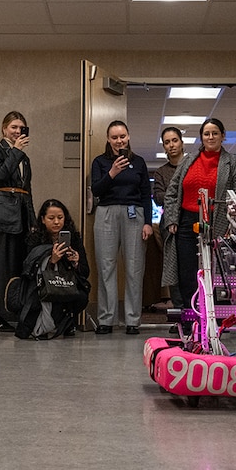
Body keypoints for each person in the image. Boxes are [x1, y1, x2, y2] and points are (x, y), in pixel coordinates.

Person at [162, 118, 236, 309]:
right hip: (186, 223)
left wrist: (232, 227)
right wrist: (171, 219)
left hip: (218, 223)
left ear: (223, 136)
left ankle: (215, 318)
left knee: (217, 272)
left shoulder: (234, 163)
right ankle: (190, 316)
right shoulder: (188, 161)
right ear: (201, 137)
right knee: (187, 272)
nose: (210, 137)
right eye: (206, 134)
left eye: (215, 133)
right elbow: (172, 192)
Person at [90, 120, 153, 335]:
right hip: (106, 213)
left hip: (134, 214)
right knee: (106, 267)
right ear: (108, 139)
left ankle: (132, 320)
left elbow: (146, 193)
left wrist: (147, 222)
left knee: (134, 268)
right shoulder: (100, 162)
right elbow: (97, 190)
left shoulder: (140, 162)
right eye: (115, 137)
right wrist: (113, 172)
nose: (119, 141)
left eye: (122, 136)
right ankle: (106, 319)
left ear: (128, 137)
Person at [0, 110, 33, 331]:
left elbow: (27, 189)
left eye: (21, 128)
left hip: (22, 212)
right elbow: (1, 175)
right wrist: (15, 151)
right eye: (13, 127)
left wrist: (33, 220)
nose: (17, 131)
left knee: (19, 262)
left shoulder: (24, 157)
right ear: (4, 129)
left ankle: (16, 308)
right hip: (3, 213)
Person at [16, 199, 90, 339]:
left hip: (66, 283)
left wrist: (76, 263)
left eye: (60, 218)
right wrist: (51, 261)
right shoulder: (34, 239)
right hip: (42, 285)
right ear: (43, 220)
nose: (56, 222)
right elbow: (28, 271)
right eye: (51, 218)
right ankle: (50, 323)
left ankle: (67, 323)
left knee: (82, 295)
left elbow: (85, 272)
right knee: (44, 297)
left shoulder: (73, 238)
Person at [151, 126, 186, 311]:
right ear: (164, 147)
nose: (171, 145)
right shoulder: (161, 172)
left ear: (182, 143)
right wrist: (179, 196)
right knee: (173, 268)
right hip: (169, 225)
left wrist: (171, 196)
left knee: (190, 268)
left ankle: (196, 311)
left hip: (189, 222)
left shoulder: (192, 167)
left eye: (174, 140)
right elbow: (158, 197)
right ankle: (180, 313)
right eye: (167, 142)